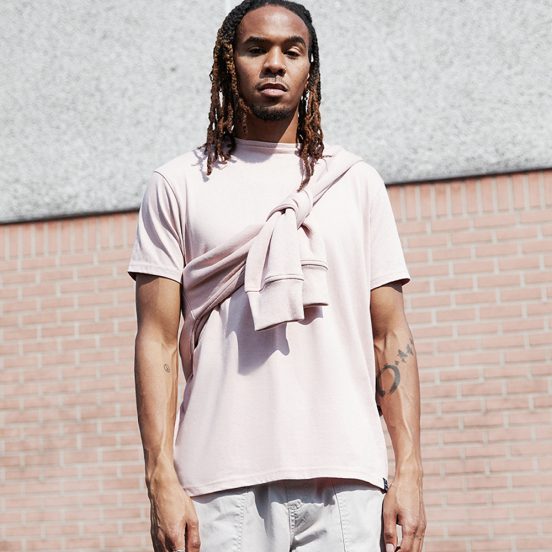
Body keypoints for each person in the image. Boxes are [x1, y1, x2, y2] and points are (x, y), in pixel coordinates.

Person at [128, 1, 426, 551]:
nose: (274, 62)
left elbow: (390, 335)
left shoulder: (356, 182)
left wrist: (409, 470)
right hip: (219, 487)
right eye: (256, 48)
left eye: (292, 50)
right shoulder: (178, 184)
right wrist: (159, 478)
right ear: (228, 62)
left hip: (347, 480)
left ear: (310, 67)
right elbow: (157, 340)